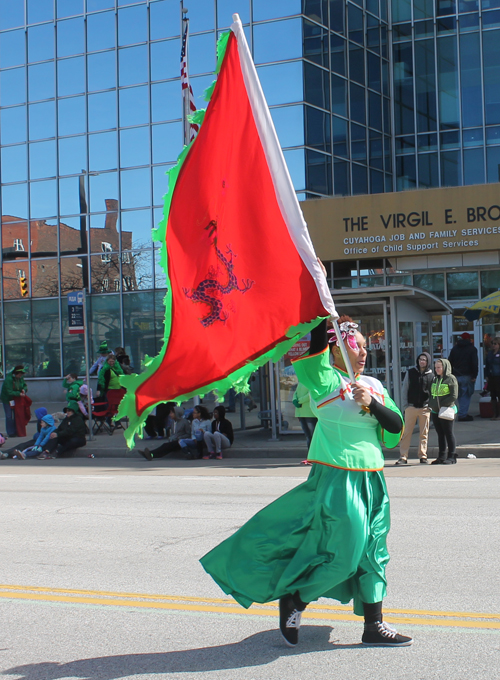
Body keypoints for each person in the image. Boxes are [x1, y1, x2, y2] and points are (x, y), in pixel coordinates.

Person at [200, 313, 413, 648]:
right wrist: (318, 306)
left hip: (374, 481)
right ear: (337, 348)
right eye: (356, 346)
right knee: (345, 553)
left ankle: (374, 625)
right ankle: (296, 599)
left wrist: (371, 404)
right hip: (339, 479)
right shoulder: (325, 380)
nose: (363, 352)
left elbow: (395, 429)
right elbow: (315, 347)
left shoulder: (373, 385)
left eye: (365, 348)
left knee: (374, 552)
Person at [396, 352, 434, 465]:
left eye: (424, 360)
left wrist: (430, 406)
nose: (422, 361)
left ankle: (423, 456)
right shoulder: (411, 372)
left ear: (428, 362)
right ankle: (403, 456)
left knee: (424, 433)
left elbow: (432, 392)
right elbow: (405, 389)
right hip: (411, 407)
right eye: (420, 359)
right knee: (407, 432)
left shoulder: (431, 376)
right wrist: (405, 406)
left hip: (425, 408)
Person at [429, 359, 459, 465]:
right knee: (440, 434)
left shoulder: (451, 379)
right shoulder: (435, 379)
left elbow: (454, 396)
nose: (437, 369)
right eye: (436, 367)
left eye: (439, 367)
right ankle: (441, 456)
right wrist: (431, 404)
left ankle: (452, 456)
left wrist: (442, 405)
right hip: (436, 411)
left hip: (447, 410)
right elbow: (431, 393)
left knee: (448, 433)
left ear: (445, 367)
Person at [448, 332, 478, 421]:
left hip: (456, 375)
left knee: (458, 395)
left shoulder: (455, 349)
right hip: (467, 375)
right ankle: (462, 414)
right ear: (469, 339)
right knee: (465, 395)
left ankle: (460, 412)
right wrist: (474, 375)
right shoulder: (472, 349)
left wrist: (450, 373)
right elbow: (474, 363)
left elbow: (450, 362)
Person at [1, 366, 28, 437]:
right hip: (8, 399)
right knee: (9, 416)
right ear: (15, 373)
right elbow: (9, 392)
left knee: (17, 414)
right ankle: (10, 432)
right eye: (19, 375)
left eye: (21, 375)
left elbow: (24, 385)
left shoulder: (20, 378)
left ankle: (17, 430)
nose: (20, 376)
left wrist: (24, 390)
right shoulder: (9, 379)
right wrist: (19, 394)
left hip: (16, 399)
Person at [97, 354, 125, 420]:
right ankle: (109, 420)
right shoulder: (104, 369)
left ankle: (116, 420)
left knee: (117, 406)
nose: (111, 363)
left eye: (113, 361)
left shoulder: (118, 368)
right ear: (107, 361)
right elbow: (101, 380)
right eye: (110, 362)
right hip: (109, 390)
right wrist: (98, 390)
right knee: (109, 406)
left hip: (118, 390)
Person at [293, 382, 317, 449]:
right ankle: (310, 456)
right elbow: (296, 392)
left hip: (310, 413)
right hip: (301, 412)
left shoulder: (311, 381)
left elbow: (311, 394)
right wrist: (294, 399)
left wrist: (300, 401)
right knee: (308, 436)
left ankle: (315, 456)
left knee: (313, 437)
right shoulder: (301, 381)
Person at [485, 337, 500, 421]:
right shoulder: (490, 354)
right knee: (493, 395)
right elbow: (487, 365)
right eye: (492, 344)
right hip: (492, 377)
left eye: (495, 344)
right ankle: (495, 413)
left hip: (499, 376)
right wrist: (486, 375)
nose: (493, 345)